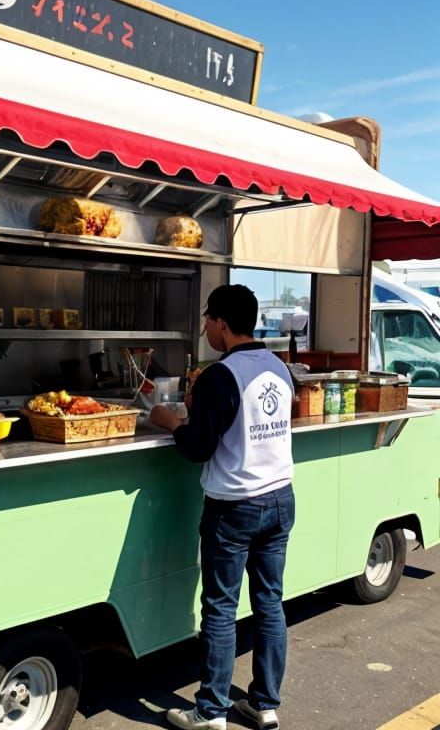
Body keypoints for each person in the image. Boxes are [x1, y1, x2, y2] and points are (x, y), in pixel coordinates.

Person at [151, 284, 295, 730]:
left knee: (220, 607)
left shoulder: (221, 375)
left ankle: (210, 711)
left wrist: (170, 420)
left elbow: (198, 447)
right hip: (280, 498)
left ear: (222, 323)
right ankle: (264, 704)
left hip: (234, 505)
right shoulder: (279, 367)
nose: (206, 329)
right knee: (269, 602)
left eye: (208, 321)